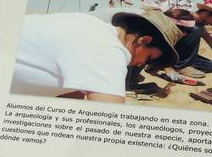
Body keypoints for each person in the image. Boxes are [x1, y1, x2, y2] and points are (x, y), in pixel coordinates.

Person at [11, 9, 182, 103]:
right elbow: (106, 126)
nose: (141, 64)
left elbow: (72, 94)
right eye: (149, 58)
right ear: (143, 41)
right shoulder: (110, 51)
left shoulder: (90, 24)